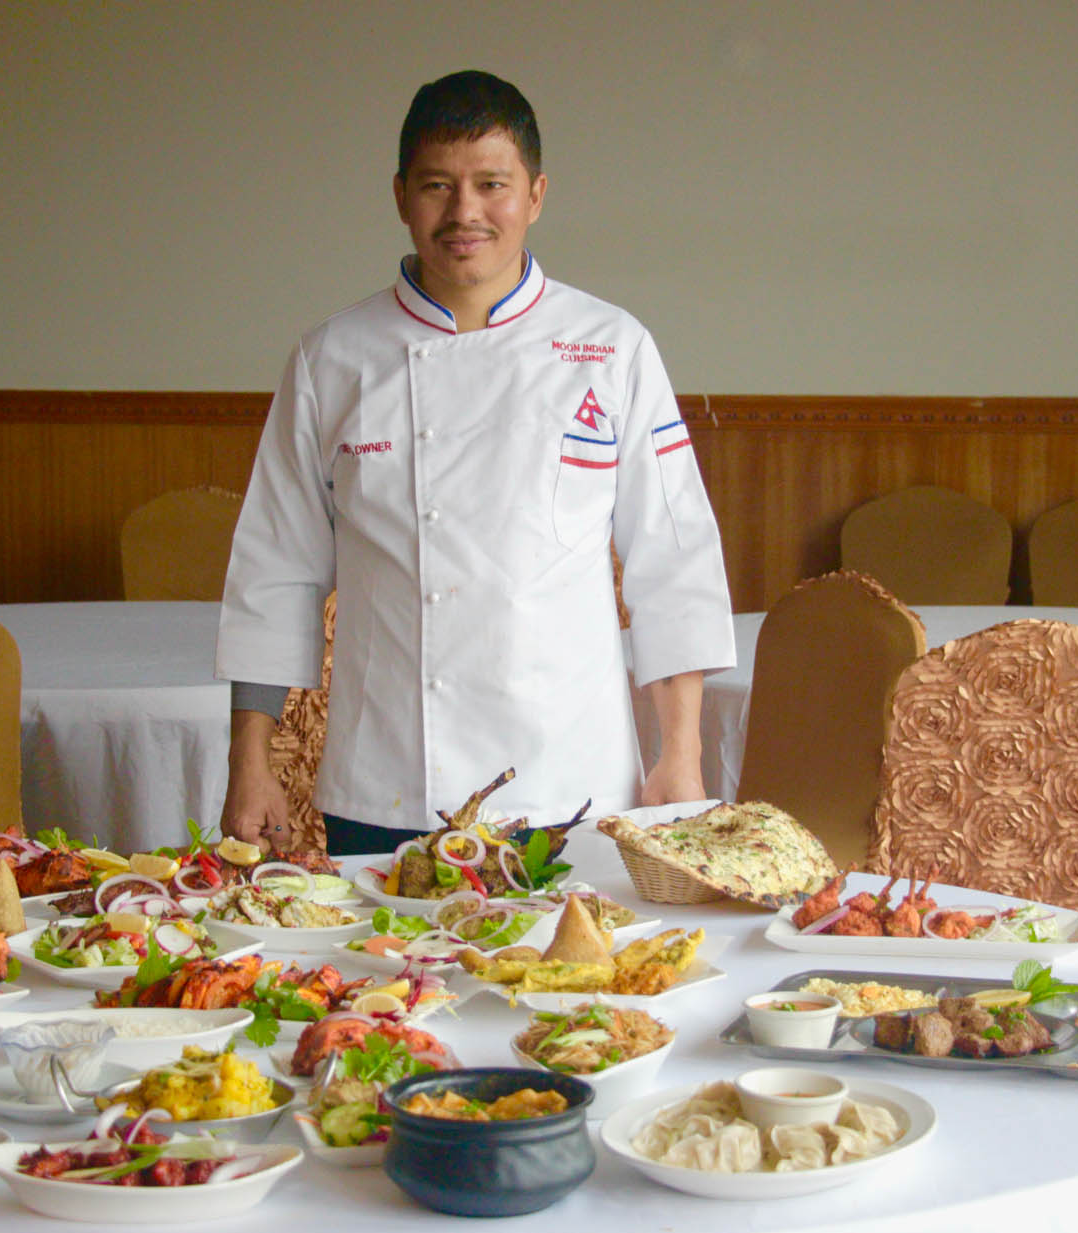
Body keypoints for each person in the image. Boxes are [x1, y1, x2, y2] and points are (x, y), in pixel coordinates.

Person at [216, 70, 735, 856]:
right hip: (388, 778)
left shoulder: (611, 347)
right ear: (400, 196)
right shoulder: (333, 359)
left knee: (577, 978)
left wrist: (682, 755)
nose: (465, 213)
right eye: (437, 186)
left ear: (535, 194)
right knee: (394, 975)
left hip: (571, 779)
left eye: (492, 184)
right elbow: (273, 571)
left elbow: (675, 560)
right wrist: (248, 761)